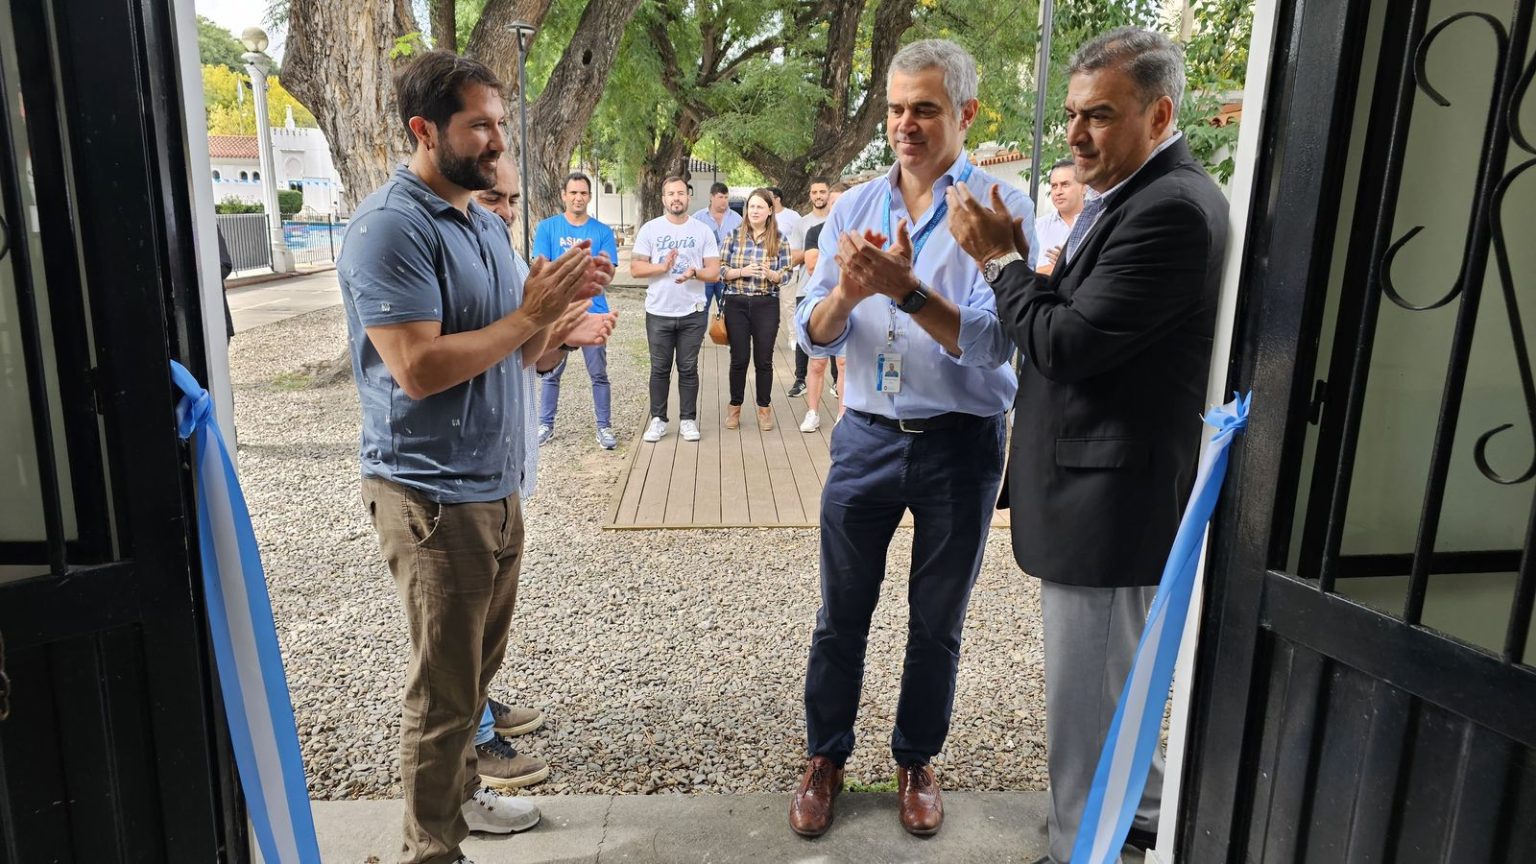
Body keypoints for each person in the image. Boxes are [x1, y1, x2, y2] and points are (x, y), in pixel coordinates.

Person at [945, 27, 1229, 864]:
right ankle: (1140, 813)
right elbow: (1074, 317)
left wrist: (1000, 261)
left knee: (1087, 702)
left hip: (1110, 500)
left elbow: (1064, 344)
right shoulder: (1141, 195)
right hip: (1110, 488)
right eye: (1071, 115)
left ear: (1160, 112)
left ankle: (1084, 845)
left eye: (1097, 117)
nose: (1074, 135)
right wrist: (1024, 273)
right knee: (1118, 683)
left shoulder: (1170, 210)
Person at [337, 51, 612, 864]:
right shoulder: (392, 226)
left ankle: (460, 800)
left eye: (499, 122)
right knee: (445, 691)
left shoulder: (486, 224)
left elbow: (514, 355)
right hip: (430, 496)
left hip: (495, 487)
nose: (497, 139)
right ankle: (432, 849)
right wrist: (530, 314)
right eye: (479, 125)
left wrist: (555, 330)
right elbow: (417, 369)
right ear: (425, 130)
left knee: (475, 679)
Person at [790, 38, 1037, 840]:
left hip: (961, 442)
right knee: (841, 612)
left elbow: (1000, 344)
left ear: (965, 113)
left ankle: (916, 758)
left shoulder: (1003, 209)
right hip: (864, 435)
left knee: (938, 618)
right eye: (896, 108)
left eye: (924, 109)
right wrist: (849, 296)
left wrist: (906, 291)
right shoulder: (854, 210)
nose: (904, 124)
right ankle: (825, 756)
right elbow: (815, 330)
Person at [466, 153, 616, 795]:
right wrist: (547, 316)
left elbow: (528, 357)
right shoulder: (439, 247)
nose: (503, 211)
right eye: (492, 199)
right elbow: (429, 367)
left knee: (486, 627)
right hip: (452, 479)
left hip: (503, 467)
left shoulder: (497, 253)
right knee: (455, 637)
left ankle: (477, 707)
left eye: (510, 202)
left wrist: (563, 326)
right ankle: (469, 750)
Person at [533, 172, 621, 450]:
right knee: (551, 373)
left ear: (589, 197)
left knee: (598, 374)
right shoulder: (548, 228)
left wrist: (581, 278)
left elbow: (608, 273)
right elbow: (543, 267)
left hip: (593, 312)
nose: (578, 198)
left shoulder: (602, 232)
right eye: (573, 193)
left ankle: (604, 427)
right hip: (557, 313)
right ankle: (545, 424)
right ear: (564, 195)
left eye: (583, 193)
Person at [631, 175, 721, 443]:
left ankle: (688, 420)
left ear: (688, 197)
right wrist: (662, 267)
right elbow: (636, 268)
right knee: (659, 368)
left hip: (692, 312)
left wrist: (695, 273)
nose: (676, 198)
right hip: (659, 311)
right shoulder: (650, 229)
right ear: (663, 199)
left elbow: (714, 272)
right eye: (670, 194)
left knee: (688, 367)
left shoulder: (702, 231)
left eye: (680, 193)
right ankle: (658, 419)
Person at [719, 187, 791, 431]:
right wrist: (742, 272)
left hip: (766, 304)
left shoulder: (779, 239)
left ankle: (764, 408)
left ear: (770, 211)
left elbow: (788, 273)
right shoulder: (733, 235)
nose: (755, 211)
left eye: (760, 206)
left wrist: (773, 274)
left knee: (764, 360)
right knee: (739, 358)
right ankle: (734, 408)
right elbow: (720, 270)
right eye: (751, 207)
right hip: (736, 303)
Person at [796, 181, 848, 432]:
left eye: (840, 201)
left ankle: (843, 413)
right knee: (817, 363)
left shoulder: (860, 231)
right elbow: (813, 266)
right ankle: (813, 411)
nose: (835, 206)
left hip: (851, 306)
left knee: (844, 364)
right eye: (833, 202)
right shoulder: (817, 232)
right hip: (821, 304)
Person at [786, 177, 832, 397]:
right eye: (814, 192)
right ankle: (800, 379)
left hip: (833, 290)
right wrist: (814, 250)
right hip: (805, 287)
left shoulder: (838, 220)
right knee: (803, 334)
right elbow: (793, 257)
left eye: (822, 192)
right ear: (810, 195)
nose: (818, 196)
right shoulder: (802, 224)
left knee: (836, 331)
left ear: (829, 194)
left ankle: (836, 382)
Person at [693, 181, 742, 317]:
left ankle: (728, 338)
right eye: (720, 197)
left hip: (727, 275)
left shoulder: (737, 219)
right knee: (700, 311)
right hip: (705, 274)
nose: (724, 201)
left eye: (726, 197)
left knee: (730, 313)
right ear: (711, 197)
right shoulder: (698, 218)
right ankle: (699, 337)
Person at [1034, 158, 1084, 275]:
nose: (1058, 192)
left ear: (1083, 186)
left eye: (1065, 185)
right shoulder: (1037, 227)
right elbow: (1025, 272)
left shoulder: (1096, 223)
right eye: (1054, 186)